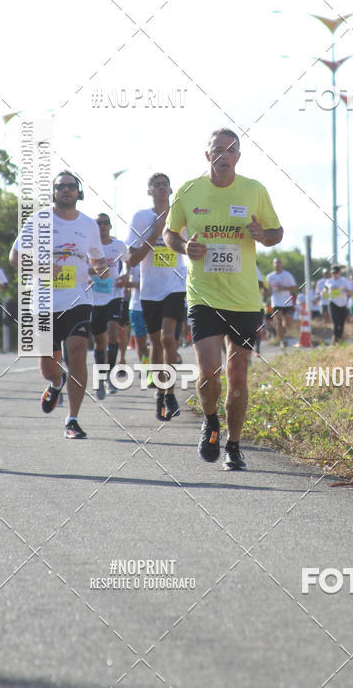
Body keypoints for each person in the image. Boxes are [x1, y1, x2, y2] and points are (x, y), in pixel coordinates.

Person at [163, 128, 283, 471]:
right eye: (217, 149)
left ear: (238, 156)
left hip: (244, 300)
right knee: (209, 371)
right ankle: (210, 420)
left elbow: (277, 232)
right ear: (207, 155)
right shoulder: (188, 190)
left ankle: (233, 445)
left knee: (239, 373)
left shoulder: (254, 190)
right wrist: (184, 246)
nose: (224, 155)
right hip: (203, 295)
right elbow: (169, 233)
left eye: (231, 150)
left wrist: (264, 235)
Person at [10, 172, 109, 439]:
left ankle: (72, 419)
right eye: (60, 186)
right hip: (43, 301)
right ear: (54, 192)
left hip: (78, 299)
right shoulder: (38, 220)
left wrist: (101, 268)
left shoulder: (88, 225)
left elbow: (97, 259)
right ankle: (56, 383)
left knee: (77, 355)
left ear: (78, 192)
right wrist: (44, 267)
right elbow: (15, 257)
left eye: (71, 186)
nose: (66, 190)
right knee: (48, 367)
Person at [127, 173, 187, 422]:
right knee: (155, 343)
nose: (162, 188)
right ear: (149, 191)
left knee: (168, 339)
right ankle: (160, 395)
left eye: (165, 185)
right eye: (156, 186)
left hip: (176, 284)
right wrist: (155, 232)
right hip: (150, 289)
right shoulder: (141, 217)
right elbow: (131, 259)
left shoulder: (181, 215)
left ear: (171, 190)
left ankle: (171, 393)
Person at [90, 214, 128, 399]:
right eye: (99, 223)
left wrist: (126, 277)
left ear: (110, 226)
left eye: (106, 223)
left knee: (113, 334)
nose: (103, 226)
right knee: (99, 342)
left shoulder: (118, 245)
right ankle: (100, 378)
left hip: (114, 295)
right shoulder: (89, 246)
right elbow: (80, 266)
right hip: (95, 298)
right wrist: (95, 270)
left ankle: (110, 378)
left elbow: (131, 263)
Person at [266, 257, 296, 347]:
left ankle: (286, 335)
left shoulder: (287, 275)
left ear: (281, 265)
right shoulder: (270, 276)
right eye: (275, 263)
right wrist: (266, 292)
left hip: (286, 302)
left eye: (278, 263)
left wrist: (283, 288)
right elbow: (269, 290)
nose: (277, 265)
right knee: (278, 321)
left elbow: (294, 288)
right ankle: (282, 341)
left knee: (287, 323)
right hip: (276, 302)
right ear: (273, 265)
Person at [127, 264, 150, 363]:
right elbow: (121, 280)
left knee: (157, 341)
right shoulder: (133, 262)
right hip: (136, 307)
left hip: (153, 304)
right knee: (140, 342)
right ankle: (145, 366)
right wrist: (135, 284)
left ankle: (153, 368)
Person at [324, 265, 352, 344]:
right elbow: (325, 289)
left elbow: (350, 292)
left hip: (343, 304)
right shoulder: (328, 281)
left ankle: (340, 342)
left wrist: (343, 289)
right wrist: (323, 292)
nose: (334, 275)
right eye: (332, 273)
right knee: (336, 323)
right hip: (332, 303)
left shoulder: (344, 281)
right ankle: (334, 342)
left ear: (339, 273)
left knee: (341, 324)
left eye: (336, 273)